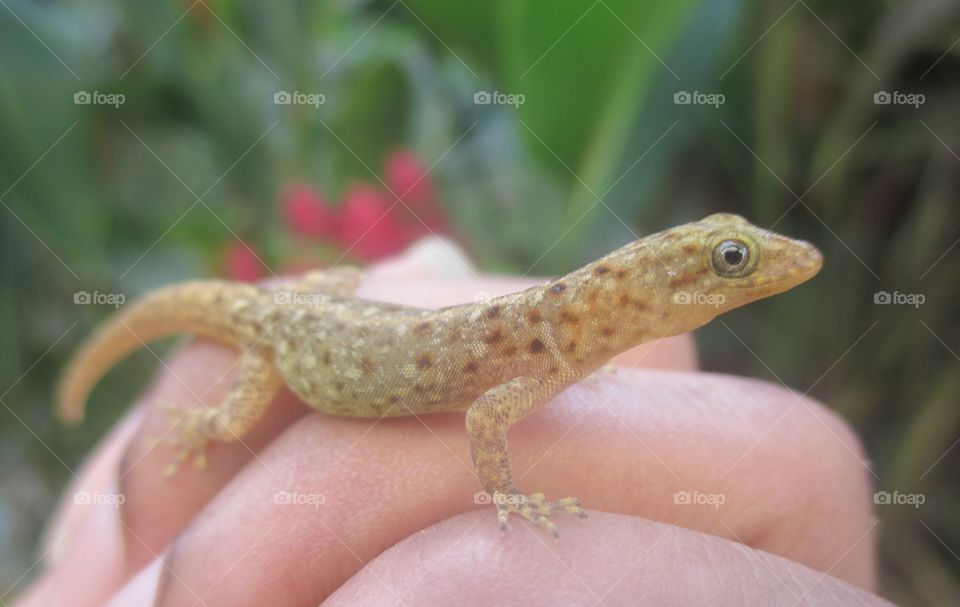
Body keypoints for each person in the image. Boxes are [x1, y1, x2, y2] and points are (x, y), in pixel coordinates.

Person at [17, 239, 890, 606]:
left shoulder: (563, 346)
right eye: (730, 260)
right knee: (226, 403)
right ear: (641, 287)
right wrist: (508, 498)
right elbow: (484, 419)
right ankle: (207, 415)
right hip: (292, 340)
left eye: (734, 256)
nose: (760, 268)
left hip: (326, 324)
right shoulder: (545, 354)